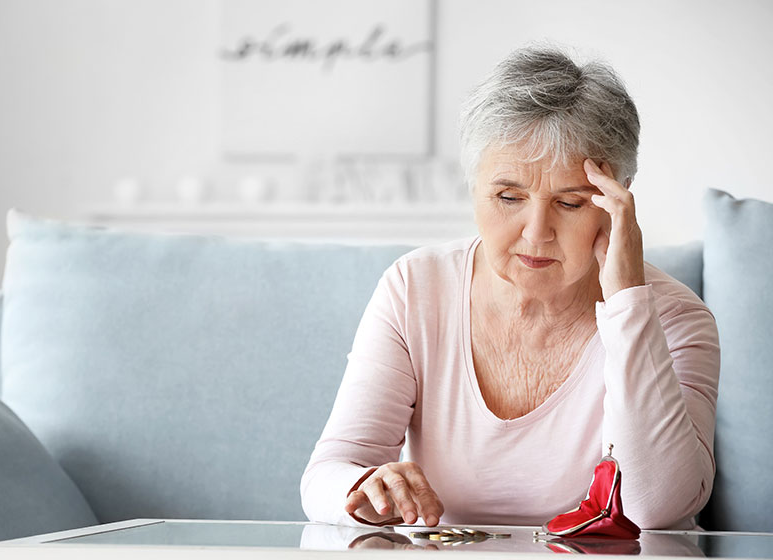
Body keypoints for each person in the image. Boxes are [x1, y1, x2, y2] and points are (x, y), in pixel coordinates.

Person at [300, 44, 719, 530]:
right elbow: (327, 475)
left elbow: (658, 508)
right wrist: (364, 488)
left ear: (617, 202)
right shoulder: (414, 288)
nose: (536, 231)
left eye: (571, 203)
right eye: (508, 196)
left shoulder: (676, 318)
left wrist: (628, 305)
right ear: (474, 187)